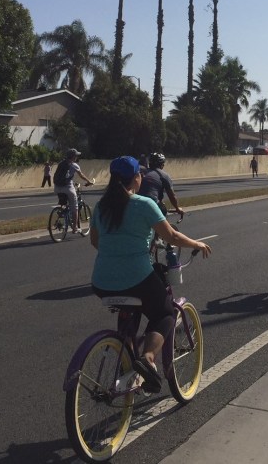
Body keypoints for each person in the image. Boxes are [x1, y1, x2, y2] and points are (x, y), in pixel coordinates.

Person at [90, 156, 212, 393]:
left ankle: (128, 364)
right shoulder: (143, 204)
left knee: (130, 308)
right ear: (136, 178)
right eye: (140, 175)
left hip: (101, 282)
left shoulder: (101, 206)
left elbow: (96, 242)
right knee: (165, 313)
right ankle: (147, 359)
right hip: (136, 277)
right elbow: (171, 236)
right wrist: (196, 244)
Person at [53, 148, 95, 234]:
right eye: (76, 156)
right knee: (75, 207)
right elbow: (81, 175)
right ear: (73, 157)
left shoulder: (61, 163)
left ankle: (63, 213)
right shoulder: (74, 165)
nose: (76, 157)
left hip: (57, 187)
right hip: (67, 188)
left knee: (64, 202)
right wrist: (89, 181)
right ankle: (75, 228)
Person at [138, 152, 183, 219]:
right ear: (162, 164)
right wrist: (177, 208)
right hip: (151, 204)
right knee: (163, 211)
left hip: (136, 203)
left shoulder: (142, 172)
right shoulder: (163, 175)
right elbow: (172, 196)